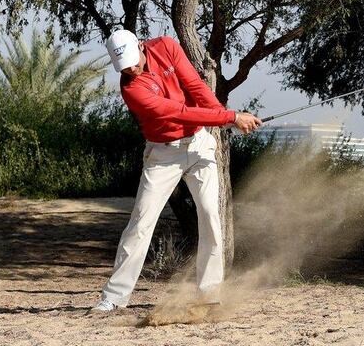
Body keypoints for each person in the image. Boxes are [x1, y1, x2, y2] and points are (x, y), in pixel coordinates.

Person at [90, 30, 261, 313]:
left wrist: (224, 119)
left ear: (141, 46)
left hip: (199, 144)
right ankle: (114, 297)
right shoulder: (132, 90)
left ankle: (209, 293)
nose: (131, 69)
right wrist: (231, 117)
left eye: (133, 61)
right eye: (124, 66)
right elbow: (178, 112)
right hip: (162, 155)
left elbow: (195, 87)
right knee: (141, 222)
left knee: (209, 216)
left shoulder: (166, 47)